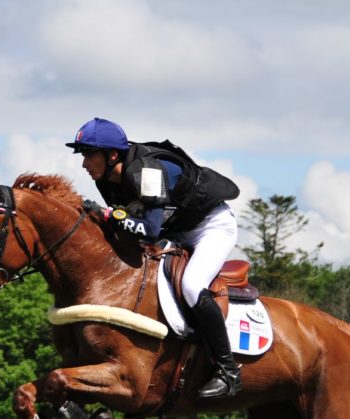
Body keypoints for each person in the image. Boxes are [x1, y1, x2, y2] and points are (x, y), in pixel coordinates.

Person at [66, 117, 242, 399]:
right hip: (175, 231)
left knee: (192, 285)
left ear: (112, 155)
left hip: (209, 227)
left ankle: (227, 370)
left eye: (88, 155)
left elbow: (147, 231)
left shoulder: (146, 171)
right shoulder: (108, 180)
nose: (84, 163)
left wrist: (110, 215)